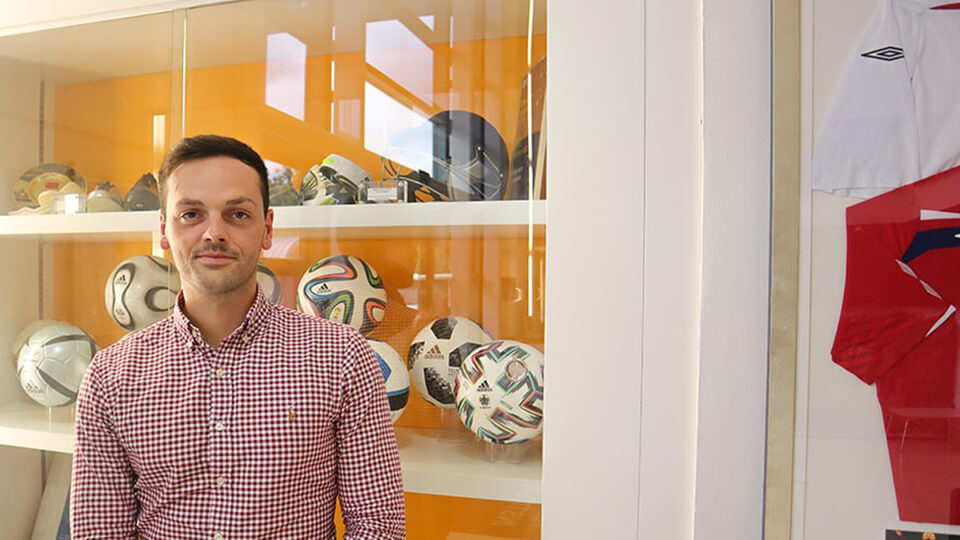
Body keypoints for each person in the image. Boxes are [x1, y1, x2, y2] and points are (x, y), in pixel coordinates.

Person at [70, 134, 406, 539]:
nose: (214, 233)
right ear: (163, 231)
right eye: (191, 214)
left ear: (267, 229)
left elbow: (378, 526)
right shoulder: (110, 376)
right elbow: (100, 533)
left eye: (238, 214)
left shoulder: (342, 356)